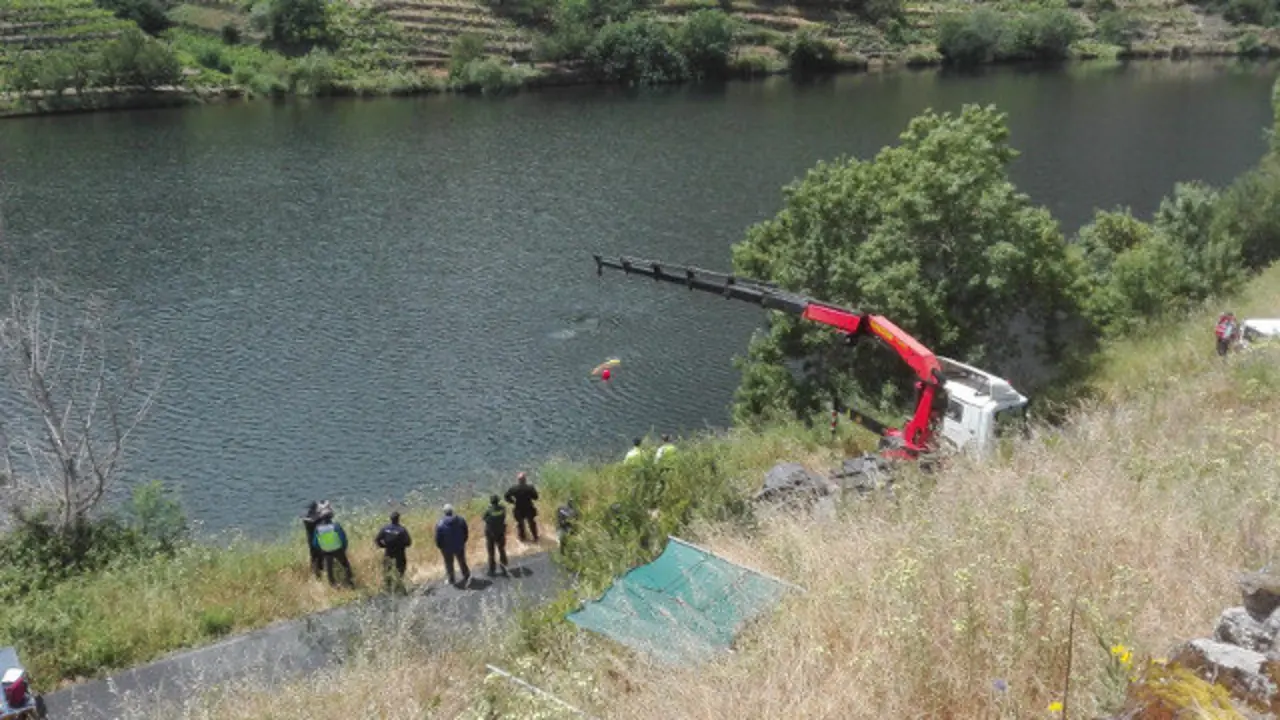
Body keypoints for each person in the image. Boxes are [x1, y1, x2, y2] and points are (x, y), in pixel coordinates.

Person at [313, 502, 354, 588]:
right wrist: (344, 548)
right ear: (331, 516)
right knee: (346, 565)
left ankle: (333, 585)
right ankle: (350, 582)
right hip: (338, 549)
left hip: (326, 551)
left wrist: (322, 550)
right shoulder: (336, 526)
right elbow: (343, 538)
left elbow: (315, 543)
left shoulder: (318, 529)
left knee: (329, 570)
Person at [374, 511, 413, 593]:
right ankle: (399, 585)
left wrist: (383, 546)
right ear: (398, 519)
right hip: (399, 553)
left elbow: (377, 539)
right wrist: (402, 545)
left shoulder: (385, 529)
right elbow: (409, 542)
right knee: (401, 569)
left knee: (387, 569)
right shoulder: (402, 530)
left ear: (390, 519)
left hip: (388, 552)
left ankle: (387, 587)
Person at [435, 504, 471, 586]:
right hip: (459, 545)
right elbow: (466, 532)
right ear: (452, 511)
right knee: (462, 561)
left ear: (444, 512)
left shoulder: (440, 524)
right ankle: (466, 575)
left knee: (449, 563)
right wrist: (463, 541)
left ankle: (451, 579)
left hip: (446, 549)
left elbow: (438, 538)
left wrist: (441, 547)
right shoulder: (461, 520)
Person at [504, 471, 540, 542]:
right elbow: (536, 497)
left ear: (518, 480)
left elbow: (506, 496)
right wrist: (530, 496)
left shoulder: (513, 488)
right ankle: (535, 537)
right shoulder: (530, 487)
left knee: (520, 524)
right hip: (529, 508)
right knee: (531, 523)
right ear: (525, 480)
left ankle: (522, 538)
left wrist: (512, 502)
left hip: (518, 508)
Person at [482, 495, 510, 577]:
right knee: (502, 550)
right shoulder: (502, 508)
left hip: (491, 534)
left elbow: (484, 518)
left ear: (491, 502)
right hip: (501, 532)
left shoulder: (488, 510)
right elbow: (504, 516)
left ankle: (492, 570)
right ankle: (504, 567)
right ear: (498, 501)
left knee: (491, 552)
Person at [301, 501, 323, 579]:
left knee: (313, 556)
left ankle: (315, 574)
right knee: (319, 555)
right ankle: (320, 571)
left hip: (311, 539)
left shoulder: (305, 520)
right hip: (318, 539)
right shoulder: (316, 520)